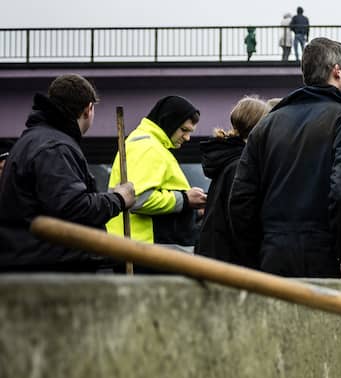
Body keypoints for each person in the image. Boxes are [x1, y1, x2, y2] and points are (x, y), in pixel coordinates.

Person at [228, 37, 341, 278]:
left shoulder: (266, 125)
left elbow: (241, 200)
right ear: (337, 72)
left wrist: (257, 255)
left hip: (272, 258)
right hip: (327, 260)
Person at [0, 75, 135, 272]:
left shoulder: (37, 140)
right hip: (50, 269)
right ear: (89, 109)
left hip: (36, 263)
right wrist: (119, 199)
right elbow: (74, 209)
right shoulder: (54, 147)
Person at [106, 96, 207, 253]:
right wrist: (186, 199)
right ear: (169, 121)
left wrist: (192, 209)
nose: (187, 137)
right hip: (145, 249)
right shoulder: (148, 147)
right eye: (184, 130)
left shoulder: (151, 145)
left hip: (143, 248)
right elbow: (138, 199)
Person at [196, 96, 269, 266]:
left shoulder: (227, 160)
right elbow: (241, 217)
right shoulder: (240, 165)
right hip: (230, 262)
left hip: (214, 256)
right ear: (259, 126)